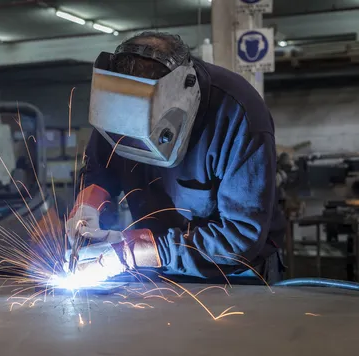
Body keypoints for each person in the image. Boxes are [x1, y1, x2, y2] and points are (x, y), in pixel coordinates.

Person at [65, 32, 286, 284]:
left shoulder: (240, 116)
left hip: (234, 271)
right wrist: (87, 209)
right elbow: (99, 171)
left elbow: (240, 236)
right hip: (149, 259)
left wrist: (130, 253)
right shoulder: (115, 106)